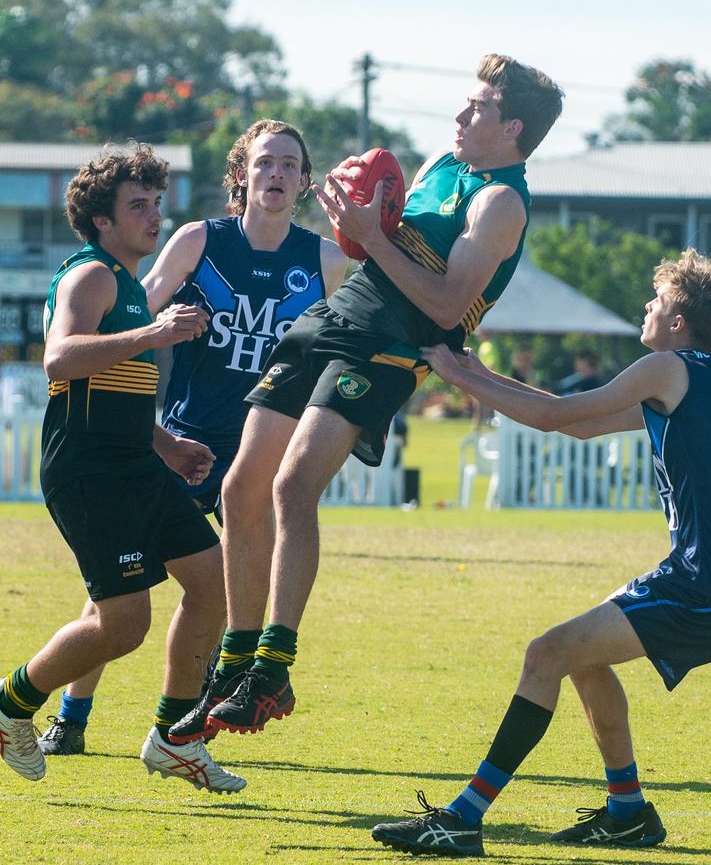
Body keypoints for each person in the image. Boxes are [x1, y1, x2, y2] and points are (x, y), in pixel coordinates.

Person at [166, 54, 563, 744]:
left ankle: (272, 667)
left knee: (293, 487)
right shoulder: (444, 160)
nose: (461, 116)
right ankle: (236, 661)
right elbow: (377, 233)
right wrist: (358, 217)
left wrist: (373, 237)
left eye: (478, 109)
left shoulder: (502, 203)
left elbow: (445, 302)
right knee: (241, 490)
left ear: (514, 128)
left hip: (390, 344)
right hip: (338, 314)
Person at [371, 249, 711, 856]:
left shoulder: (666, 368)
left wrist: (456, 374)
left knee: (546, 653)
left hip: (704, 587)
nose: (646, 306)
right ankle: (628, 811)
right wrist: (474, 371)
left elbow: (554, 416)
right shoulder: (704, 379)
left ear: (679, 323)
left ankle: (462, 818)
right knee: (580, 657)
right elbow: (579, 424)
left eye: (656, 300)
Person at [36, 120, 348, 758]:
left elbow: (342, 345)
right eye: (265, 163)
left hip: (263, 447)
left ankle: (190, 719)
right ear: (241, 175)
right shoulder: (200, 240)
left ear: (306, 182)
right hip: (187, 437)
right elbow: (134, 308)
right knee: (120, 580)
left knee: (226, 584)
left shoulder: (325, 260)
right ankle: (73, 710)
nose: (278, 175)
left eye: (291, 165)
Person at [0, 143, 251, 791]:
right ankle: (10, 704)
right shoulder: (94, 276)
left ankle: (173, 737)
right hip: (88, 472)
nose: (154, 216)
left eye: (156, 203)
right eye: (138, 205)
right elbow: (60, 360)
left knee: (213, 581)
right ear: (102, 220)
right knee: (124, 625)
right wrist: (153, 334)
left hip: (137, 463)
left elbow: (120, 385)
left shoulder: (129, 283)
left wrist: (165, 443)